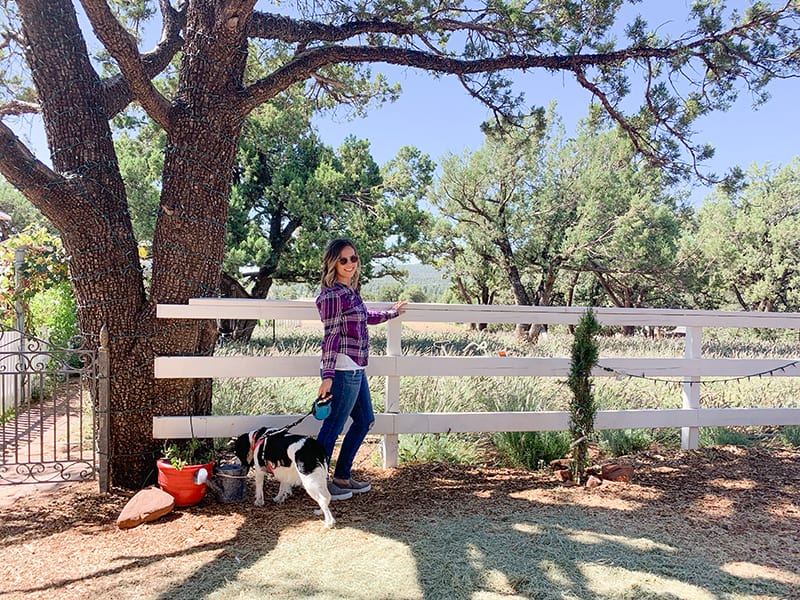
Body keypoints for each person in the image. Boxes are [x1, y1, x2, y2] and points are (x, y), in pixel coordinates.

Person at [315, 238, 407, 500]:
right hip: (343, 367)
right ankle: (320, 483)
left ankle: (342, 476)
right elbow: (330, 336)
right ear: (333, 262)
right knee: (333, 424)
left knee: (365, 420)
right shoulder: (331, 295)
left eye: (353, 258)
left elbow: (365, 316)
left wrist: (391, 313)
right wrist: (328, 375)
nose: (349, 264)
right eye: (343, 260)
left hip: (356, 366)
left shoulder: (350, 292)